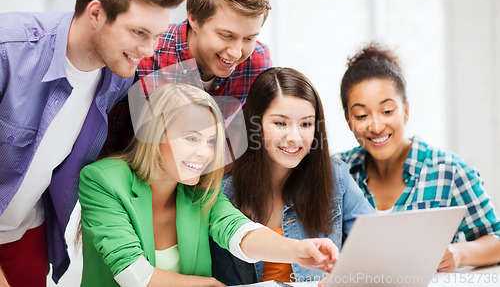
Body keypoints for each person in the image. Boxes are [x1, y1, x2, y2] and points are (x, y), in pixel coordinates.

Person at [0, 0, 186, 285]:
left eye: (157, 35)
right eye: (139, 32)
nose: (150, 49)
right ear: (96, 13)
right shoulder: (8, 50)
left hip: (26, 232)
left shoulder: (118, 77)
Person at [78, 84, 338, 287]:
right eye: (192, 138)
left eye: (211, 142)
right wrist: (210, 285)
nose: (205, 153)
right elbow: (134, 275)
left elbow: (240, 232)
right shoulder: (102, 181)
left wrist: (296, 250)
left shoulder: (200, 190)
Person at [336, 42, 500, 272]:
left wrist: (459, 253)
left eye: (387, 111)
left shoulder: (448, 170)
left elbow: (496, 239)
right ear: (348, 120)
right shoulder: (337, 172)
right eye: (361, 115)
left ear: (406, 110)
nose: (375, 125)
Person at [210, 67, 374, 284]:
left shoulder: (337, 177)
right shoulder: (224, 192)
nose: (294, 137)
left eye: (306, 124)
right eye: (280, 123)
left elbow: (377, 246)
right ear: (254, 125)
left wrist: (347, 278)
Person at [101, 0, 273, 157]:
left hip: (203, 174)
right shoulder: (146, 55)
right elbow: (106, 141)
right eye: (226, 35)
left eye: (249, 38)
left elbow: (242, 137)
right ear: (194, 18)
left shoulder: (257, 61)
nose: (235, 52)